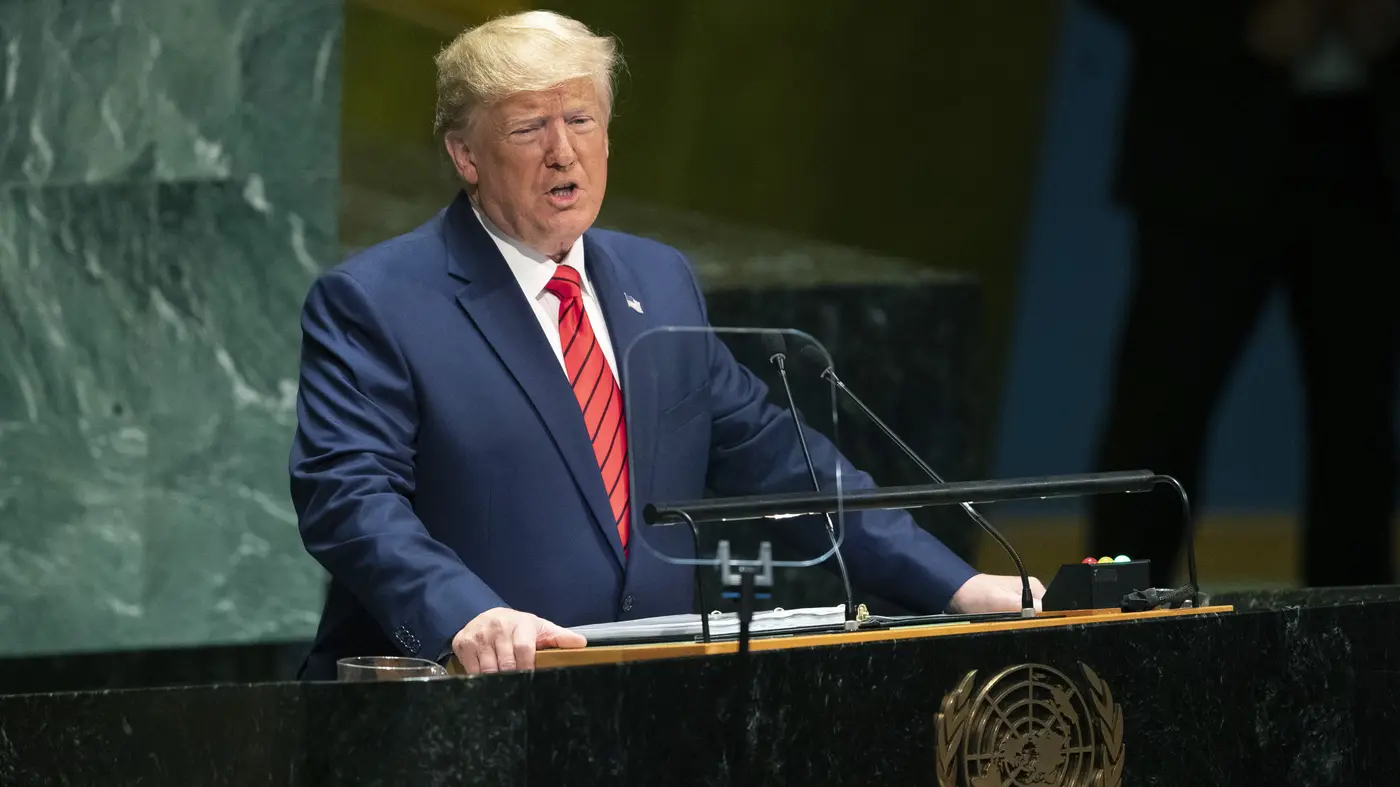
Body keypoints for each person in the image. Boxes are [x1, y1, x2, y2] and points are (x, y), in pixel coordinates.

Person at [289, 10, 1041, 679]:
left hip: (651, 708)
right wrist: (465, 613)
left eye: (581, 120)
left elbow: (781, 465)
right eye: (528, 128)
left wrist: (957, 585)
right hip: (461, 706)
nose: (563, 152)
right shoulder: (378, 300)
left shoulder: (659, 279)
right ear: (465, 155)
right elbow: (348, 497)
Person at [1087, 0, 1400, 587]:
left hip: (1367, 152)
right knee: (1161, 410)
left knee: (1361, 426)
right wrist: (1234, 23)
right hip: (1206, 144)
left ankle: (1359, 633)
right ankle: (1115, 614)